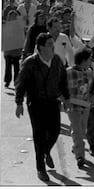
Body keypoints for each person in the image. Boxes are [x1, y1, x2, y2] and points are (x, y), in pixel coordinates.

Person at [15, 33, 70, 182]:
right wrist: (19, 103)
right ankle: (41, 168)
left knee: (55, 130)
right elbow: (21, 84)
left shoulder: (57, 60)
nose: (53, 47)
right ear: (41, 48)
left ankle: (46, 151)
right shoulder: (30, 63)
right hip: (36, 103)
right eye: (50, 45)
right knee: (39, 136)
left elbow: (63, 81)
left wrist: (67, 99)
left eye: (53, 44)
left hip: (53, 101)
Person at [66, 48, 94, 168]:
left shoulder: (89, 72)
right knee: (77, 130)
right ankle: (80, 155)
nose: (91, 61)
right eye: (89, 59)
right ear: (83, 60)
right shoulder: (68, 72)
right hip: (73, 106)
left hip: (85, 106)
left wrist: (92, 97)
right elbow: (62, 87)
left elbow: (93, 86)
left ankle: (75, 147)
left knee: (82, 130)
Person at [3, 10, 24, 88]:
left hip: (16, 50)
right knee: (8, 67)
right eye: (11, 16)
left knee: (16, 67)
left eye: (14, 16)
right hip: (8, 50)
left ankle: (16, 81)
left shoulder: (19, 26)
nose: (13, 18)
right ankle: (7, 81)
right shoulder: (5, 25)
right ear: (9, 17)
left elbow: (22, 37)